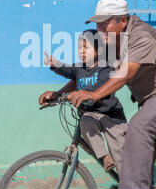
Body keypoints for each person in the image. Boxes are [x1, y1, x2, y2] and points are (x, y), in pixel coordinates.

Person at [67, 0, 156, 189]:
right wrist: (60, 93)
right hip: (152, 98)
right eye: (97, 24)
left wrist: (94, 95)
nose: (99, 28)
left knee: (139, 126)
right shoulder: (110, 41)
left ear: (122, 20)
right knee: (138, 151)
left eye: (105, 22)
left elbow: (126, 74)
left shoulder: (140, 36)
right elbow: (87, 72)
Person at [38, 29, 127, 174]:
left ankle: (131, 187)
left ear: (98, 50)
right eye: (79, 48)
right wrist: (55, 64)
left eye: (86, 47)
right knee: (85, 121)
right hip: (91, 114)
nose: (82, 51)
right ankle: (104, 157)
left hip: (111, 116)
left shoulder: (105, 67)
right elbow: (68, 70)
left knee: (121, 157)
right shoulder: (80, 68)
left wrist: (78, 94)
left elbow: (100, 87)